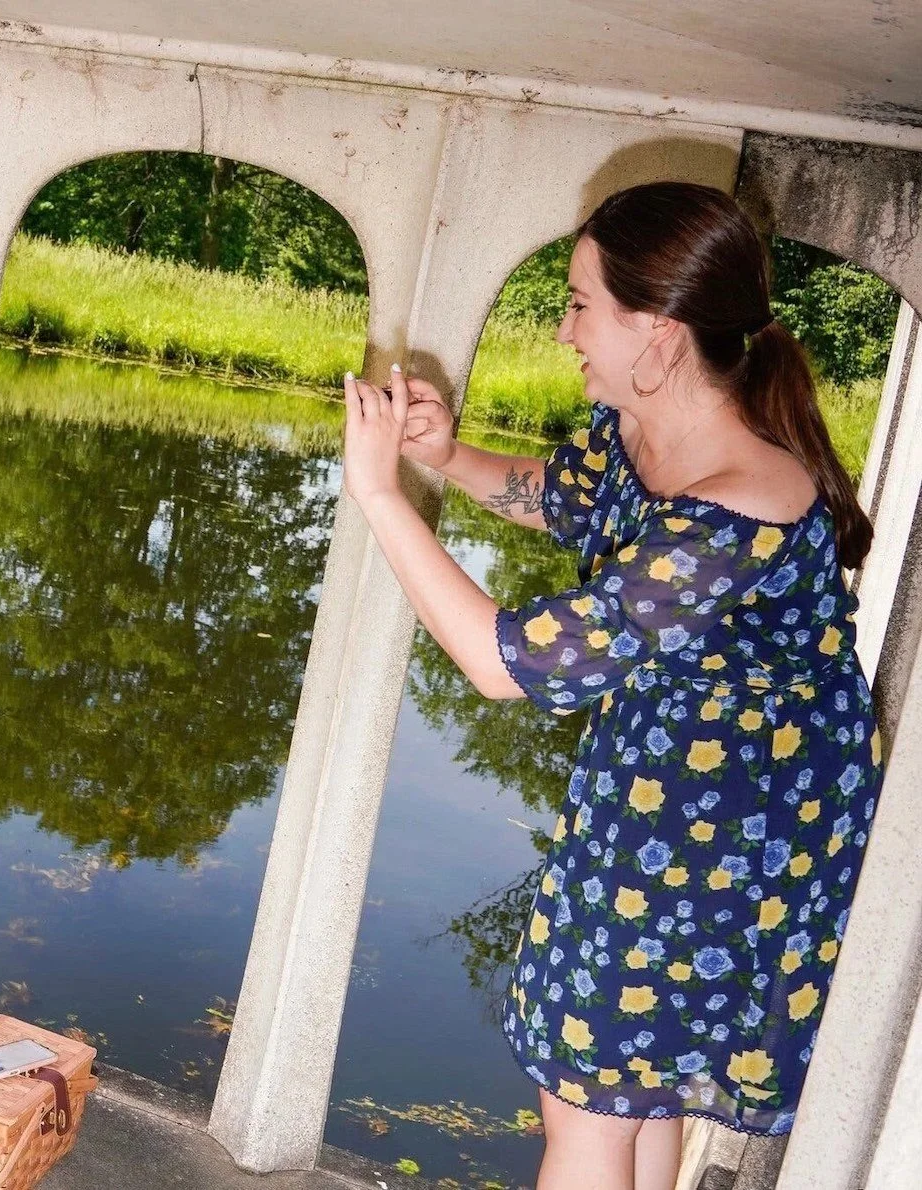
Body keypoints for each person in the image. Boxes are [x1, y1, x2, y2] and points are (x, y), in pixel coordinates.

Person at [340, 182, 883, 1190]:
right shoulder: (636, 432)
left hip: (722, 847)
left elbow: (505, 665)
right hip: (661, 803)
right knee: (632, 1099)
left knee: (587, 1108)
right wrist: (442, 454)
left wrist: (379, 489)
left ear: (662, 336)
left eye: (583, 303)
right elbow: (561, 499)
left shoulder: (738, 510)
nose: (564, 328)